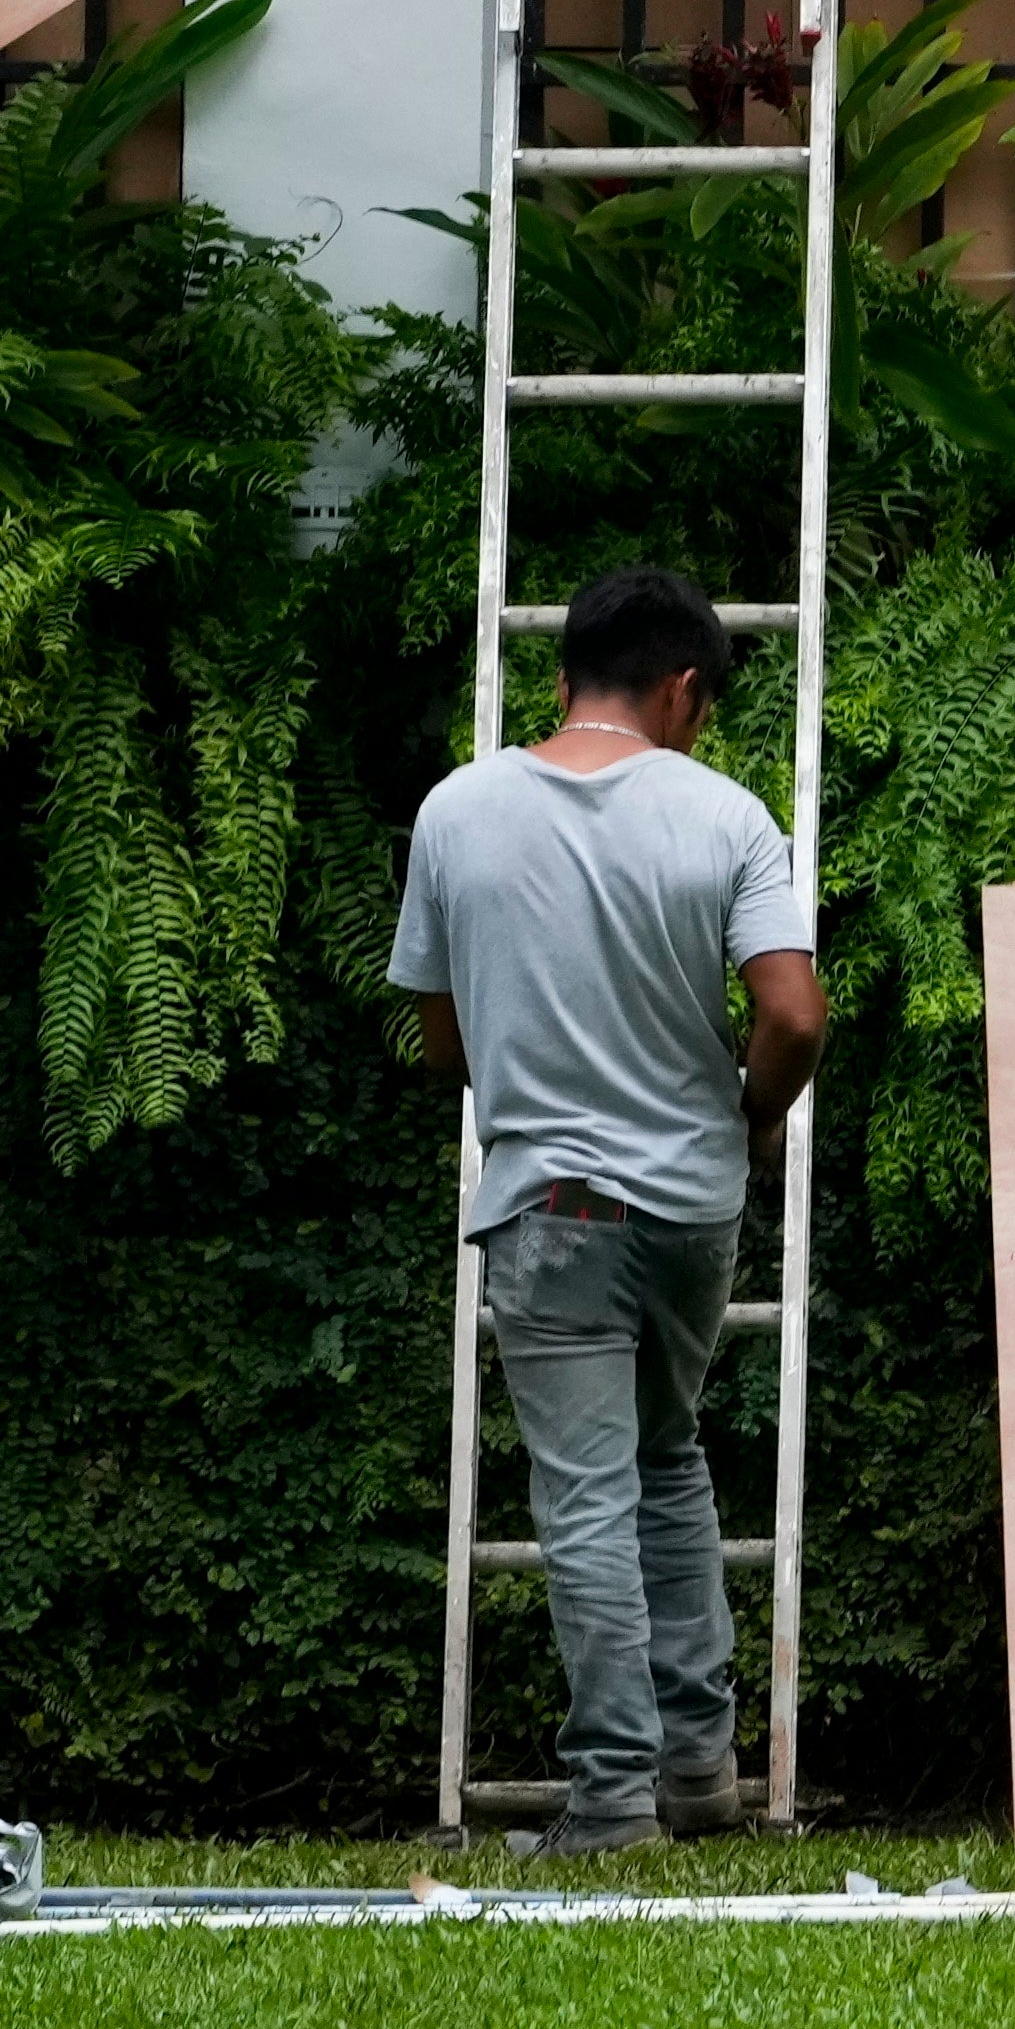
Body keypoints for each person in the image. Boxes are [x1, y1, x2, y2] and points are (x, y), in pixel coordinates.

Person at [387, 558, 826, 1858]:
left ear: (569, 667)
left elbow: (444, 1047)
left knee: (585, 1497)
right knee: (666, 1460)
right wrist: (751, 1112)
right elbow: (795, 1015)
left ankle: (613, 1803)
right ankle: (699, 1772)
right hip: (691, 1207)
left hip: (553, 1207)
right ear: (683, 688)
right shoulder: (728, 817)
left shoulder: (458, 813)